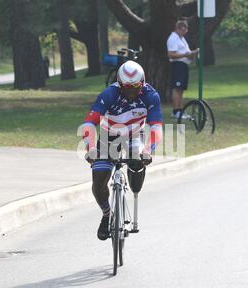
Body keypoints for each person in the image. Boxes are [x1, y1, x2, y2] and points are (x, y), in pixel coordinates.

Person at [80, 60, 163, 241]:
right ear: (119, 83)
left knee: (138, 161)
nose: (132, 91)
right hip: (109, 135)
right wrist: (91, 148)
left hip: (134, 134)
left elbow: (156, 127)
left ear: (142, 82)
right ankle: (106, 214)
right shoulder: (109, 94)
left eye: (136, 86)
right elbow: (88, 124)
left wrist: (148, 150)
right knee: (99, 178)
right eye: (127, 87)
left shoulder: (151, 96)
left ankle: (135, 181)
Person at [167, 20, 199, 119]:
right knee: (177, 88)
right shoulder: (173, 38)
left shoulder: (182, 39)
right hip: (177, 65)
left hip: (184, 65)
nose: (184, 32)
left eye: (186, 31)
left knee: (181, 89)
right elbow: (171, 54)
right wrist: (185, 54)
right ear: (177, 29)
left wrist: (192, 53)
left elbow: (187, 53)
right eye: (183, 30)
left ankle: (180, 111)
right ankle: (175, 111)